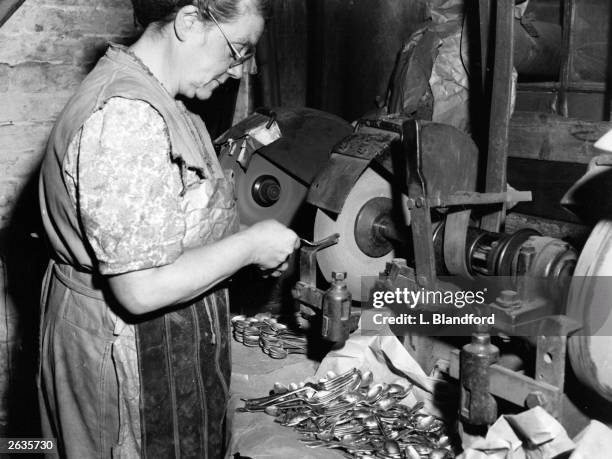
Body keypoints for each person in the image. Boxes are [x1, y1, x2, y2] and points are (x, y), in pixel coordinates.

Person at [37, 0, 298, 457]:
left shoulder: (164, 100)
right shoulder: (126, 115)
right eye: (237, 49)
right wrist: (252, 245)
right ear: (190, 22)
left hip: (155, 341)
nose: (240, 71)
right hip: (117, 348)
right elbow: (140, 290)